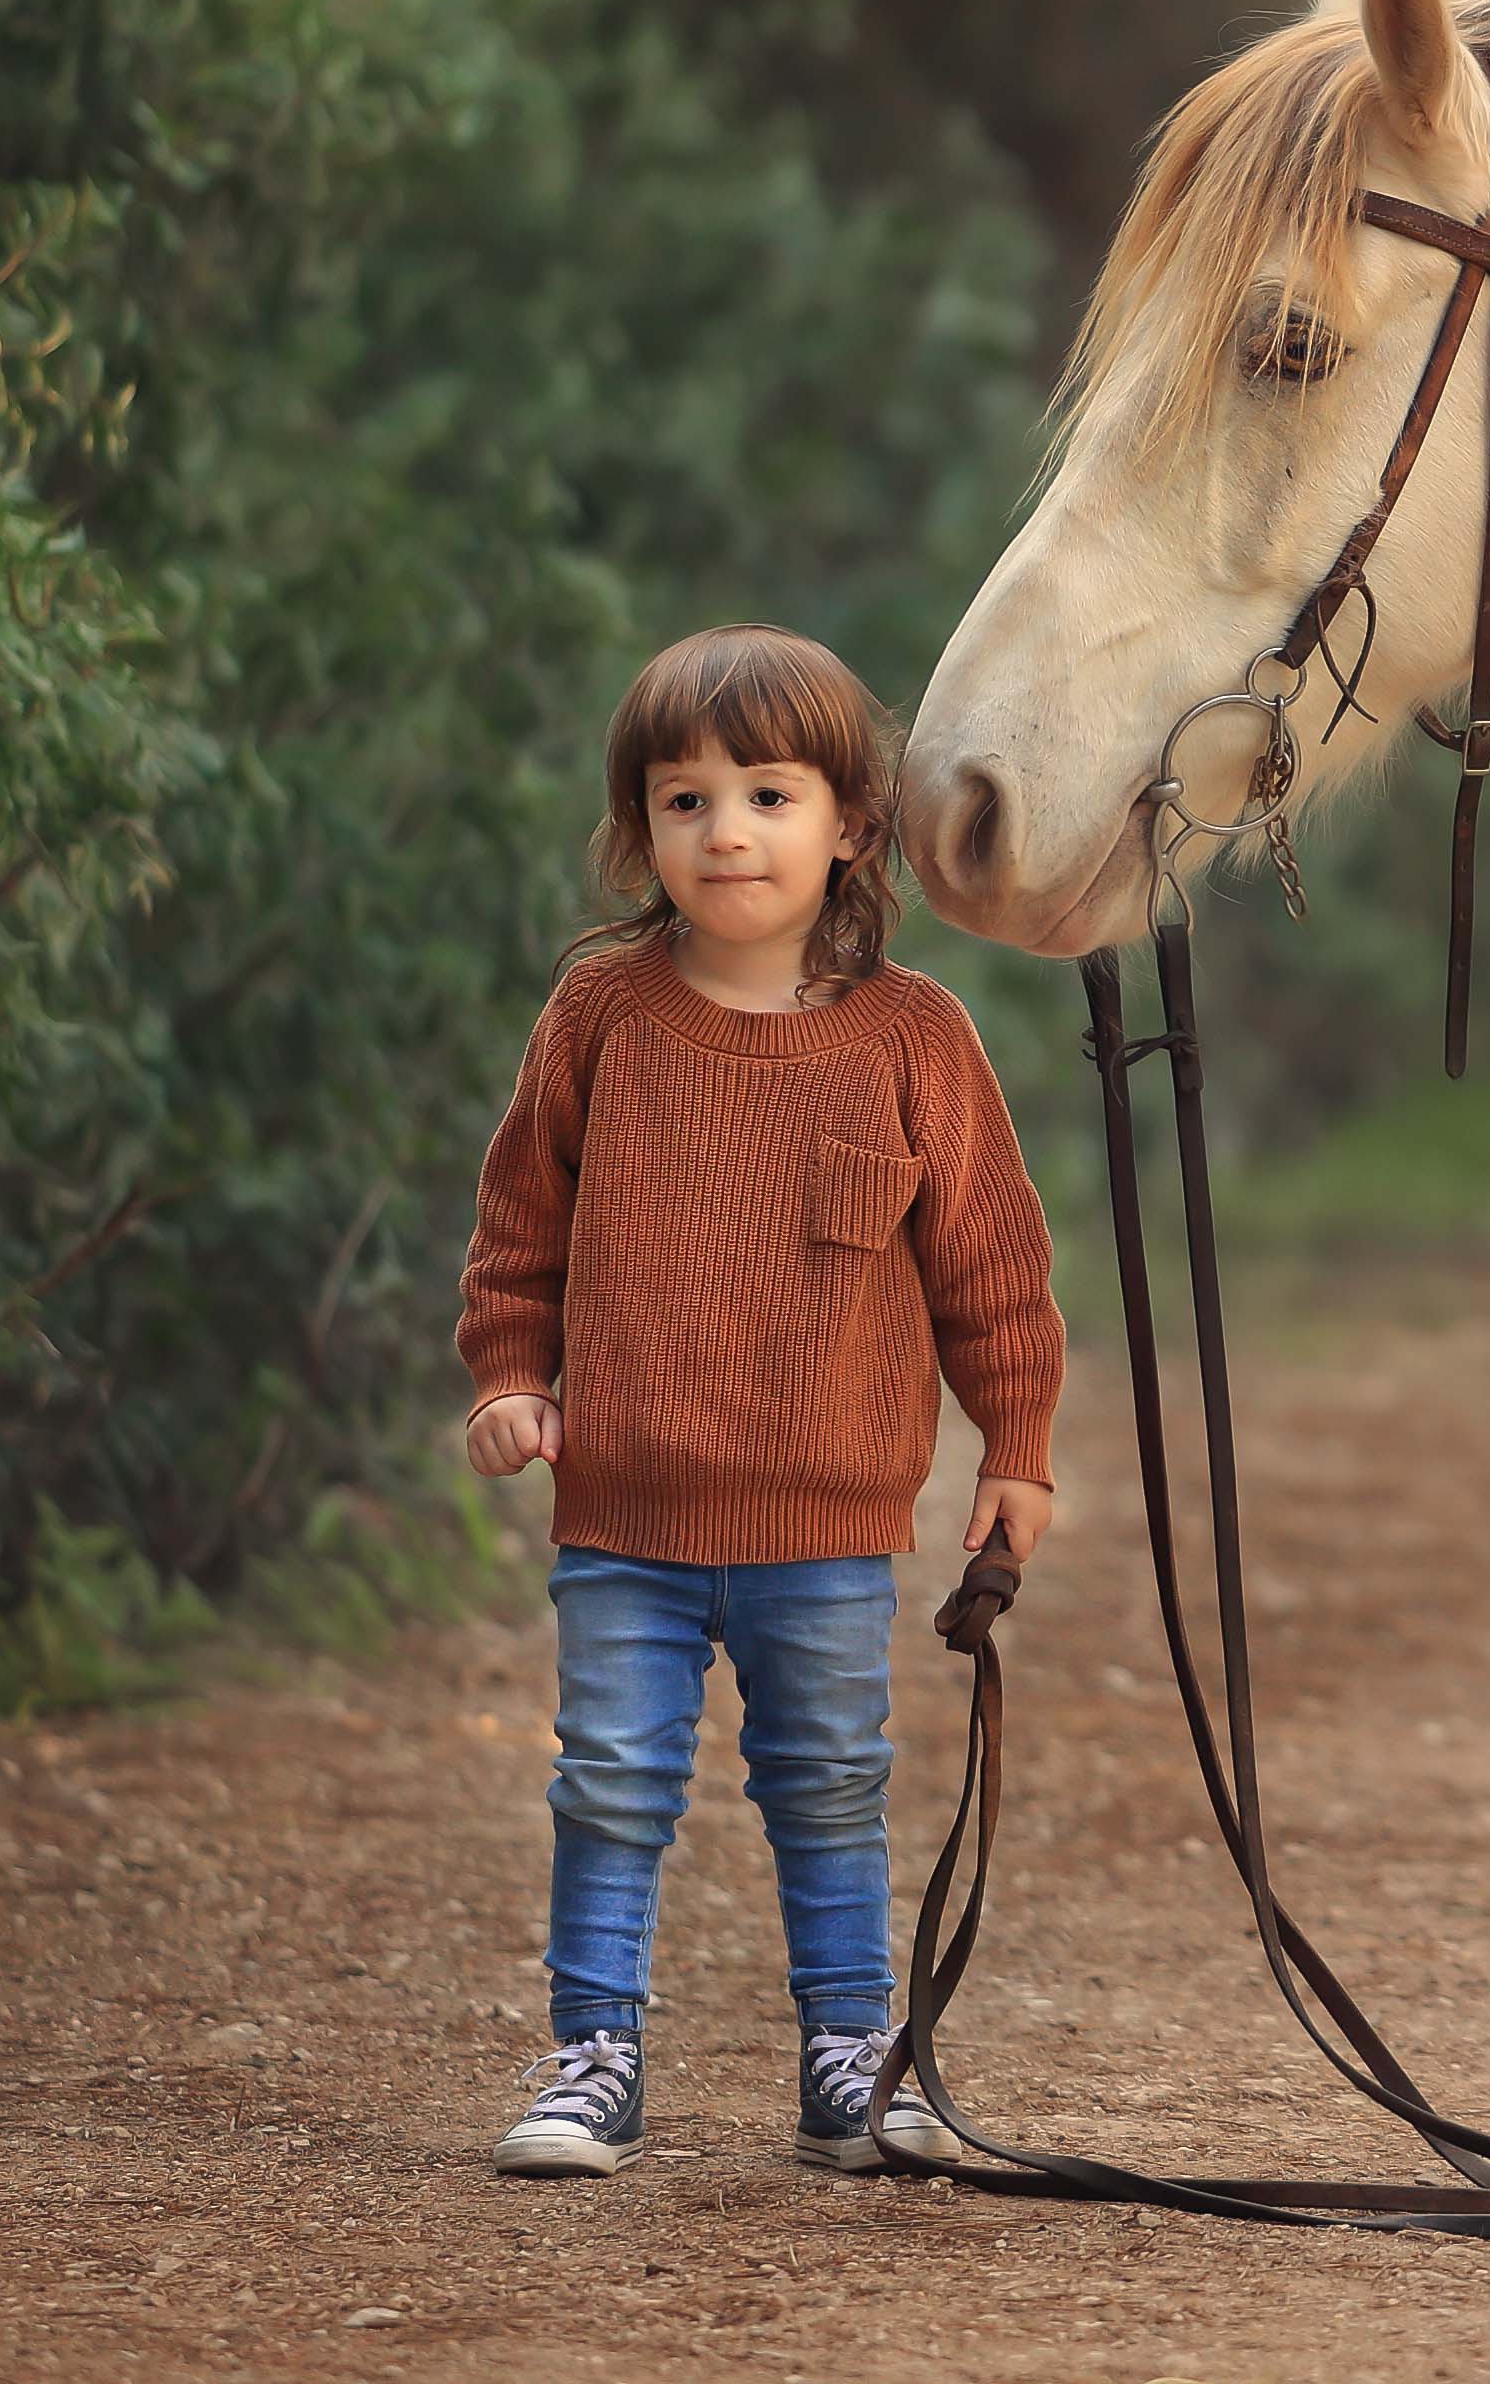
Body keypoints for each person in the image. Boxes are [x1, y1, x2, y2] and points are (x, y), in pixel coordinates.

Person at [453, 625, 1063, 2177]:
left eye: (770, 796)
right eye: (687, 800)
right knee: (609, 1782)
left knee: (830, 1785)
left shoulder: (916, 1040)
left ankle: (850, 2056)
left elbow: (992, 1267)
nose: (727, 832)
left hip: (827, 1525)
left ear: (852, 823)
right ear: (641, 828)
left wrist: (1019, 1445)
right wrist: (511, 1377)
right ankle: (593, 2058)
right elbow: (520, 1224)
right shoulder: (600, 1015)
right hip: (627, 1513)